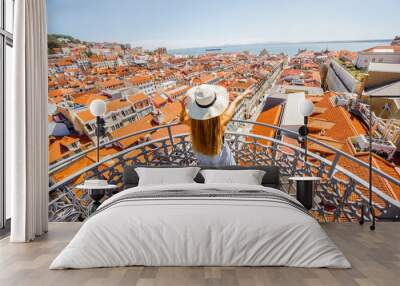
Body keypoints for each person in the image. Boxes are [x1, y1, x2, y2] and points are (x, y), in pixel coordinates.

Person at [179, 84, 246, 166]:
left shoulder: (194, 124)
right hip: (224, 162)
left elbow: (182, 119)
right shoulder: (221, 122)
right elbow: (234, 103)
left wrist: (183, 108)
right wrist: (243, 95)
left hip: (205, 163)